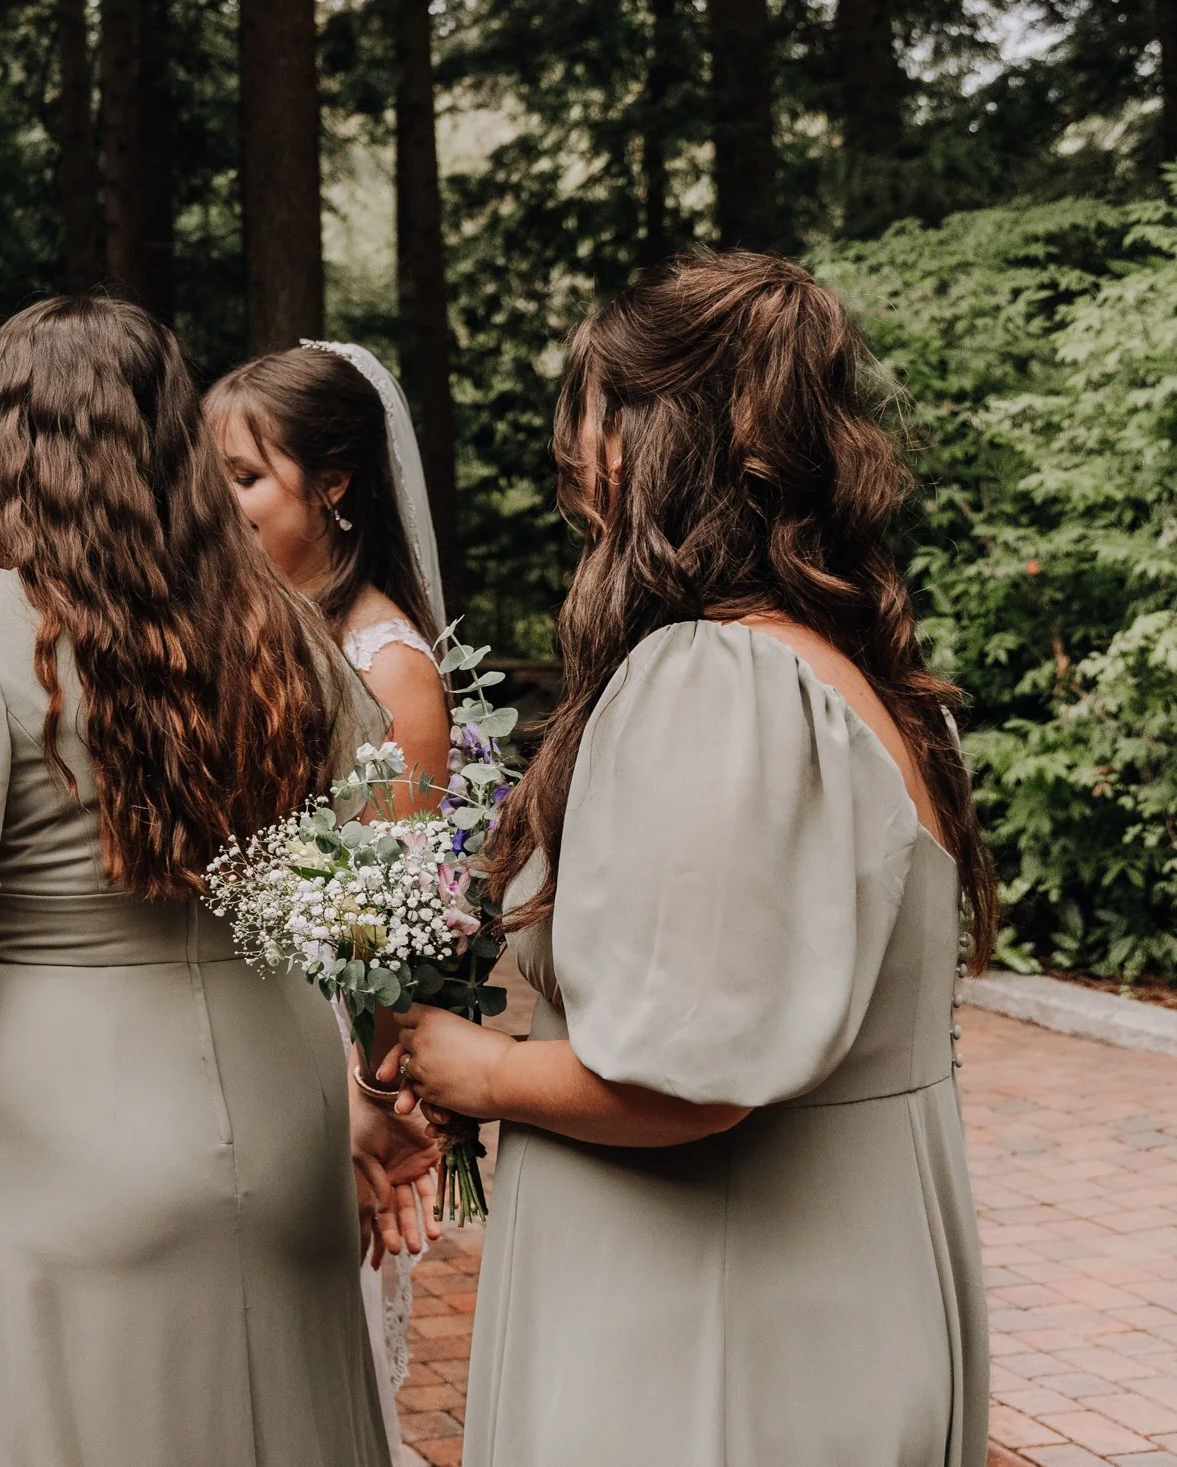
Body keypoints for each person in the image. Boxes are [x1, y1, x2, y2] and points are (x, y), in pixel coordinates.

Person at [389, 251, 995, 1467]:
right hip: (822, 1285)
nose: (575, 466)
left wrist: (477, 1069)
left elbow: (689, 1072)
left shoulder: (719, 680)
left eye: (591, 419)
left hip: (712, 1325)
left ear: (649, 439)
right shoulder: (843, 671)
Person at [0, 295, 394, 1467]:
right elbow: (370, 855)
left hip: (72, 1110)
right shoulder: (280, 622)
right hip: (280, 1098)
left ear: (1, 443)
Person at [207, 341, 455, 1455]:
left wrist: (362, 1103)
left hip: (320, 1069)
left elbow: (391, 934)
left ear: (335, 483)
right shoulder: (222, 629)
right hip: (205, 1043)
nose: (217, 506)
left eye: (243, 479)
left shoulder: (388, 668)